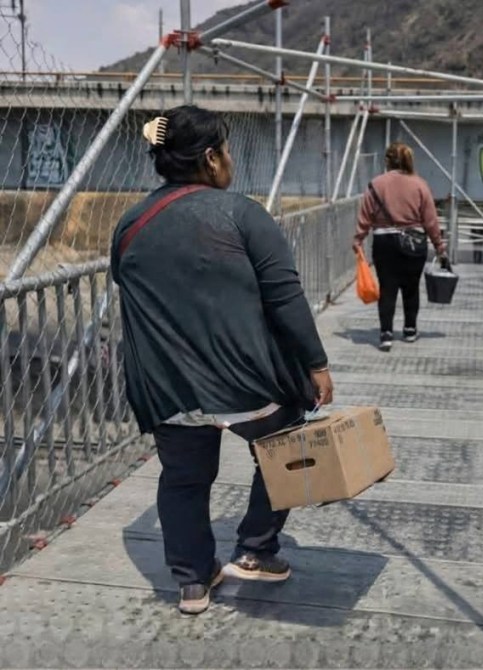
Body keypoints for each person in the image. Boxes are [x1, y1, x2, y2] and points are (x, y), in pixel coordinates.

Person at [110, 105, 334, 615]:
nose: (230, 159)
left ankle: (192, 582)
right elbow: (284, 298)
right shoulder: (242, 214)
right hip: (245, 381)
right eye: (226, 150)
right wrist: (316, 365)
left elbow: (131, 287)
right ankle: (256, 550)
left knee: (184, 477)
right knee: (288, 450)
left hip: (168, 385)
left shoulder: (131, 223)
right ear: (211, 159)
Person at [353, 142, 450, 352]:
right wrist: (439, 246)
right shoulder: (420, 185)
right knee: (411, 287)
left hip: (384, 242)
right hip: (414, 243)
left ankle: (386, 333)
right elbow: (430, 220)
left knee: (387, 288)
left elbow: (365, 215)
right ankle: (409, 329)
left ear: (387, 161)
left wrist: (358, 238)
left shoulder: (376, 184)